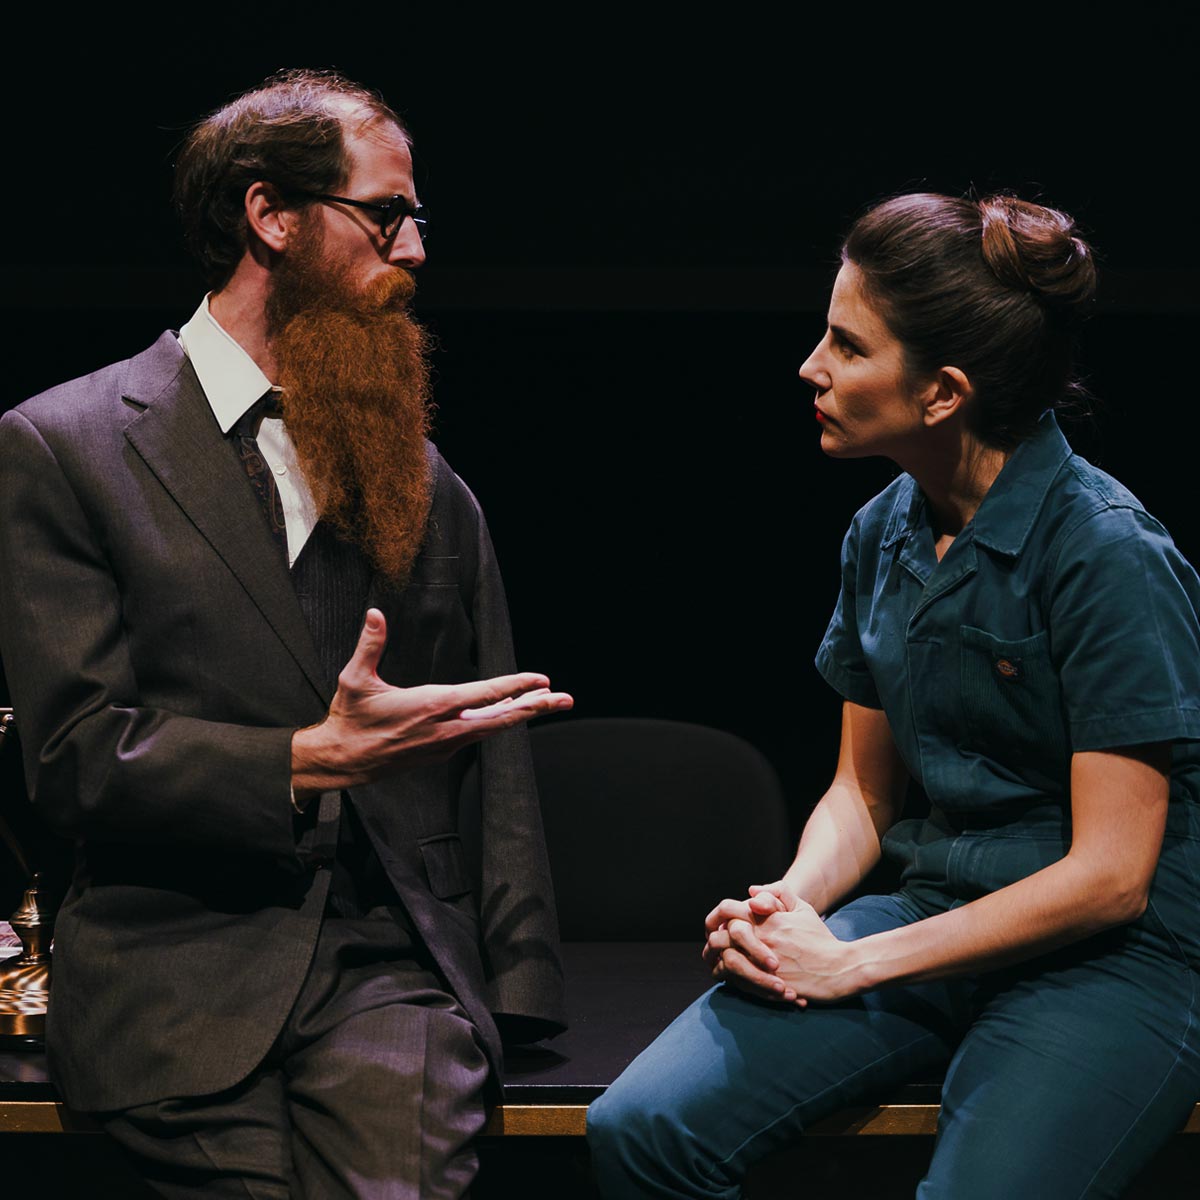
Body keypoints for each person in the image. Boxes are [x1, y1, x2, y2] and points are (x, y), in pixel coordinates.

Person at [0, 69, 573, 1198]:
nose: (412, 251)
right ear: (271, 216)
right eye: (386, 215)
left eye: (418, 220)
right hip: (173, 962)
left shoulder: (414, 472)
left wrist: (519, 981)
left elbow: (490, 728)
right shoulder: (64, 447)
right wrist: (304, 761)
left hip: (381, 968)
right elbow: (71, 754)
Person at [587, 192, 1200, 1198]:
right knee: (643, 1126)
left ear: (941, 393)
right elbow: (864, 796)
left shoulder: (1104, 551)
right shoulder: (885, 531)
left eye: (846, 346)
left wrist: (854, 966)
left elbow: (1110, 876)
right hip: (936, 915)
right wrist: (795, 902)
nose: (810, 368)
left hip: (1114, 963)